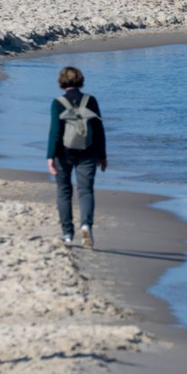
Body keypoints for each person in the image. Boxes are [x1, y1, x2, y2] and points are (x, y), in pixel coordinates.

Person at [46, 66, 107, 247]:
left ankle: (67, 233)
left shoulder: (58, 103)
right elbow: (98, 130)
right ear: (80, 80)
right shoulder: (91, 100)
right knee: (86, 190)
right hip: (88, 152)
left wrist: (50, 155)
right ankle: (86, 225)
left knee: (64, 192)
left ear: (62, 81)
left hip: (63, 154)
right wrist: (102, 155)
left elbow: (55, 132)